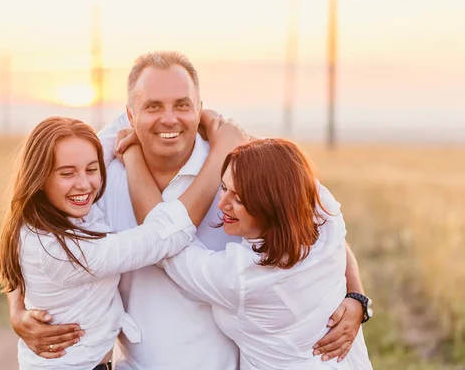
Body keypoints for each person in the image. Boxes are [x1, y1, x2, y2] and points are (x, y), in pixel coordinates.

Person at [8, 51, 372, 369]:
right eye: (153, 106)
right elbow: (29, 218)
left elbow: (320, 227)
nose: (170, 118)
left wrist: (355, 296)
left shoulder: (244, 170)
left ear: (199, 109)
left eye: (182, 105)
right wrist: (17, 307)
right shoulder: (98, 170)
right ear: (129, 116)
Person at [0, 116, 243, 369]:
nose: (84, 184)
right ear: (39, 178)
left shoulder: (40, 215)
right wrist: (221, 151)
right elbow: (164, 236)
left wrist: (194, 118)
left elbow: (122, 123)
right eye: (67, 173)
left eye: (91, 169)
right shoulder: (61, 250)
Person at [121, 137, 373, 369]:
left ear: (272, 204)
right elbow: (338, 238)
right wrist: (357, 297)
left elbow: (161, 238)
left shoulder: (242, 277)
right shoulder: (320, 213)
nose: (222, 204)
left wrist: (132, 154)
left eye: (240, 199)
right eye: (223, 187)